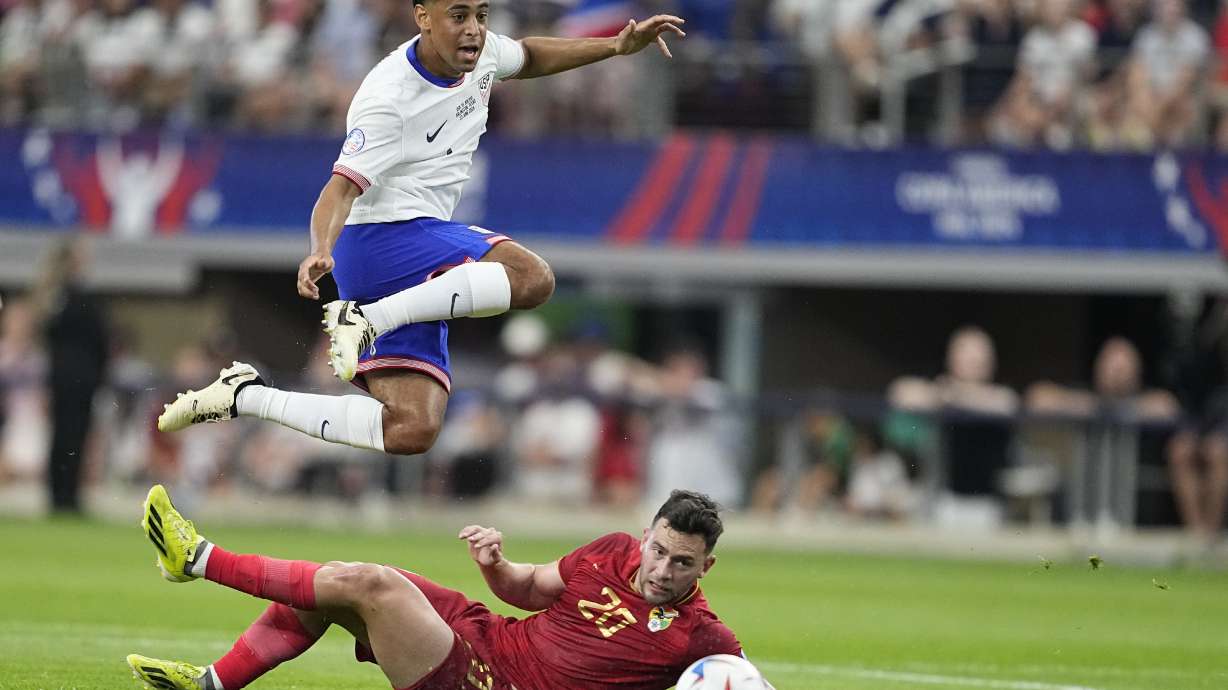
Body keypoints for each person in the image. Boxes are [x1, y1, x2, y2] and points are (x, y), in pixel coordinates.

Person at [157, 0, 687, 459]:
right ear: (423, 18)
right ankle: (365, 321)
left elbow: (529, 55)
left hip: (417, 243)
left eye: (481, 15)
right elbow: (338, 189)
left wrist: (614, 47)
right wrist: (319, 250)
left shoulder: (482, 54)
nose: (474, 29)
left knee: (412, 428)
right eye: (458, 16)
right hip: (382, 239)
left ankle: (245, 396)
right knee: (532, 278)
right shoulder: (388, 97)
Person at [126, 486, 743, 690]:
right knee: (328, 585)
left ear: (705, 568)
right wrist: (495, 563)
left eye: (682, 564)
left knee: (368, 585)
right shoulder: (611, 551)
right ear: (646, 535)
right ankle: (212, 682)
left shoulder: (703, 637)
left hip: (491, 683)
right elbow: (528, 588)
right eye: (658, 551)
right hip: (487, 634)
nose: (662, 570)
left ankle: (200, 559)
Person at [31, 236, 109, 514]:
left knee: (66, 437)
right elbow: (100, 340)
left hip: (65, 379)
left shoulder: (55, 299)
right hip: (77, 380)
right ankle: (64, 497)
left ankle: (62, 495)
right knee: (70, 437)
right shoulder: (76, 298)